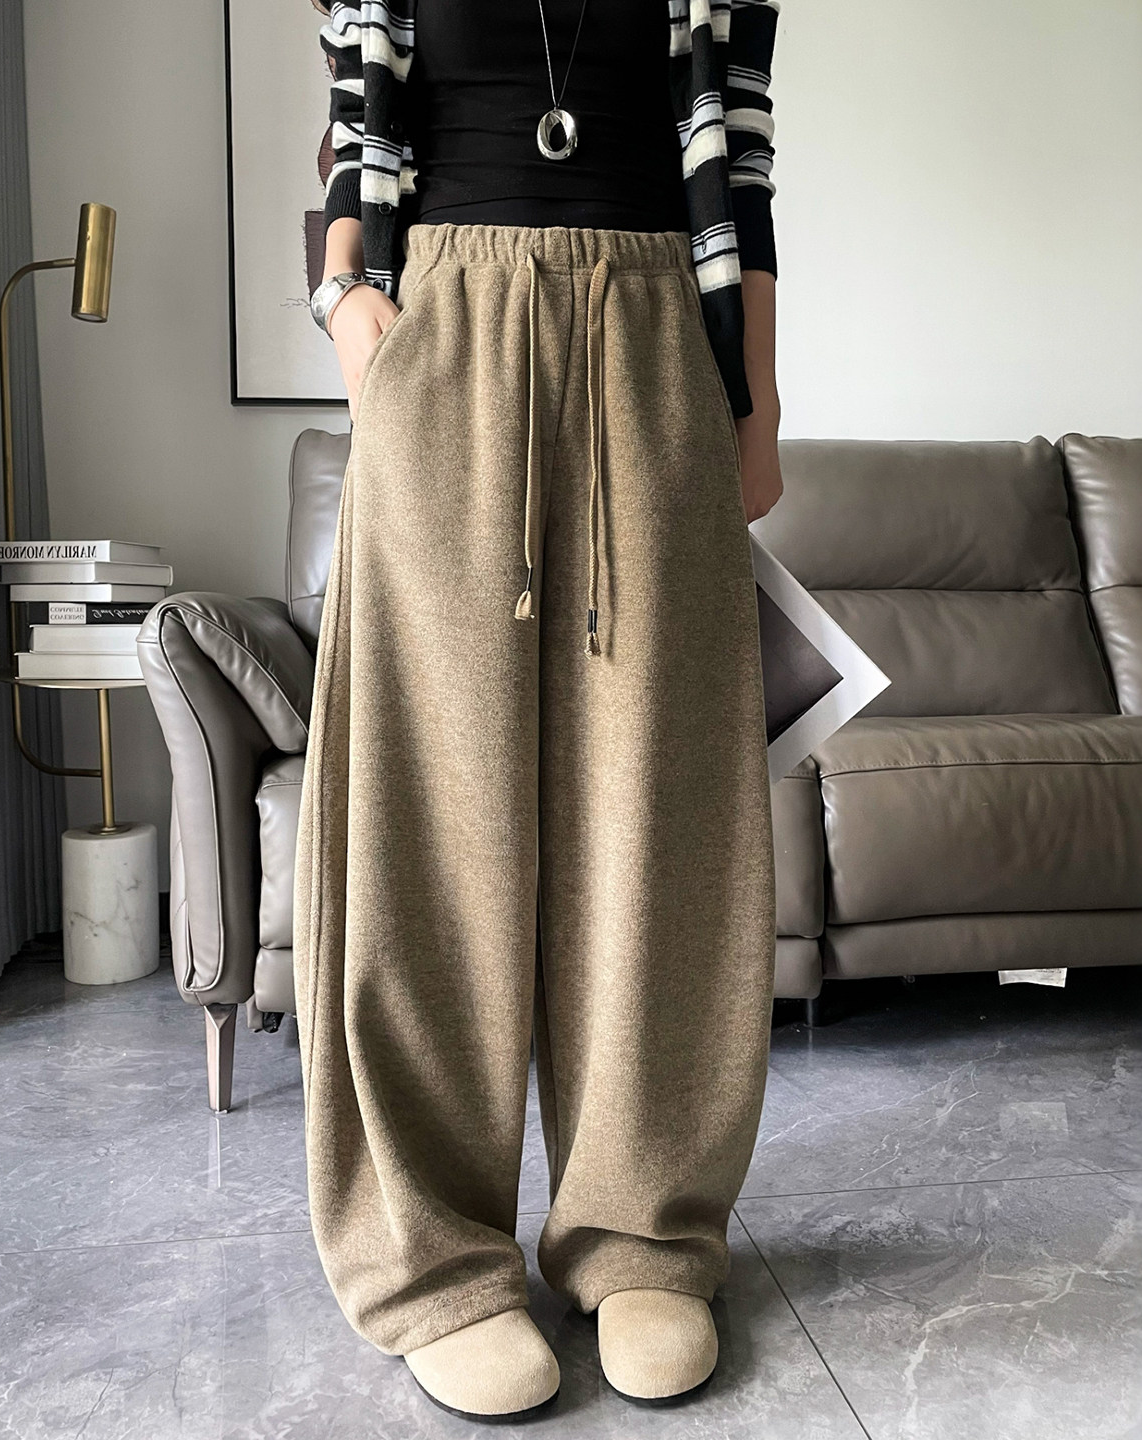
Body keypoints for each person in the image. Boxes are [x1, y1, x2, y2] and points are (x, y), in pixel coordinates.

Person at [296, 0, 783, 1420]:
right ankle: (433, 1258)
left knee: (660, 815)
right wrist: (353, 311)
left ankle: (643, 1231)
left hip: (659, 337)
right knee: (433, 821)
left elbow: (744, 159)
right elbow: (353, 129)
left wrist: (756, 398)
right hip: (445, 328)